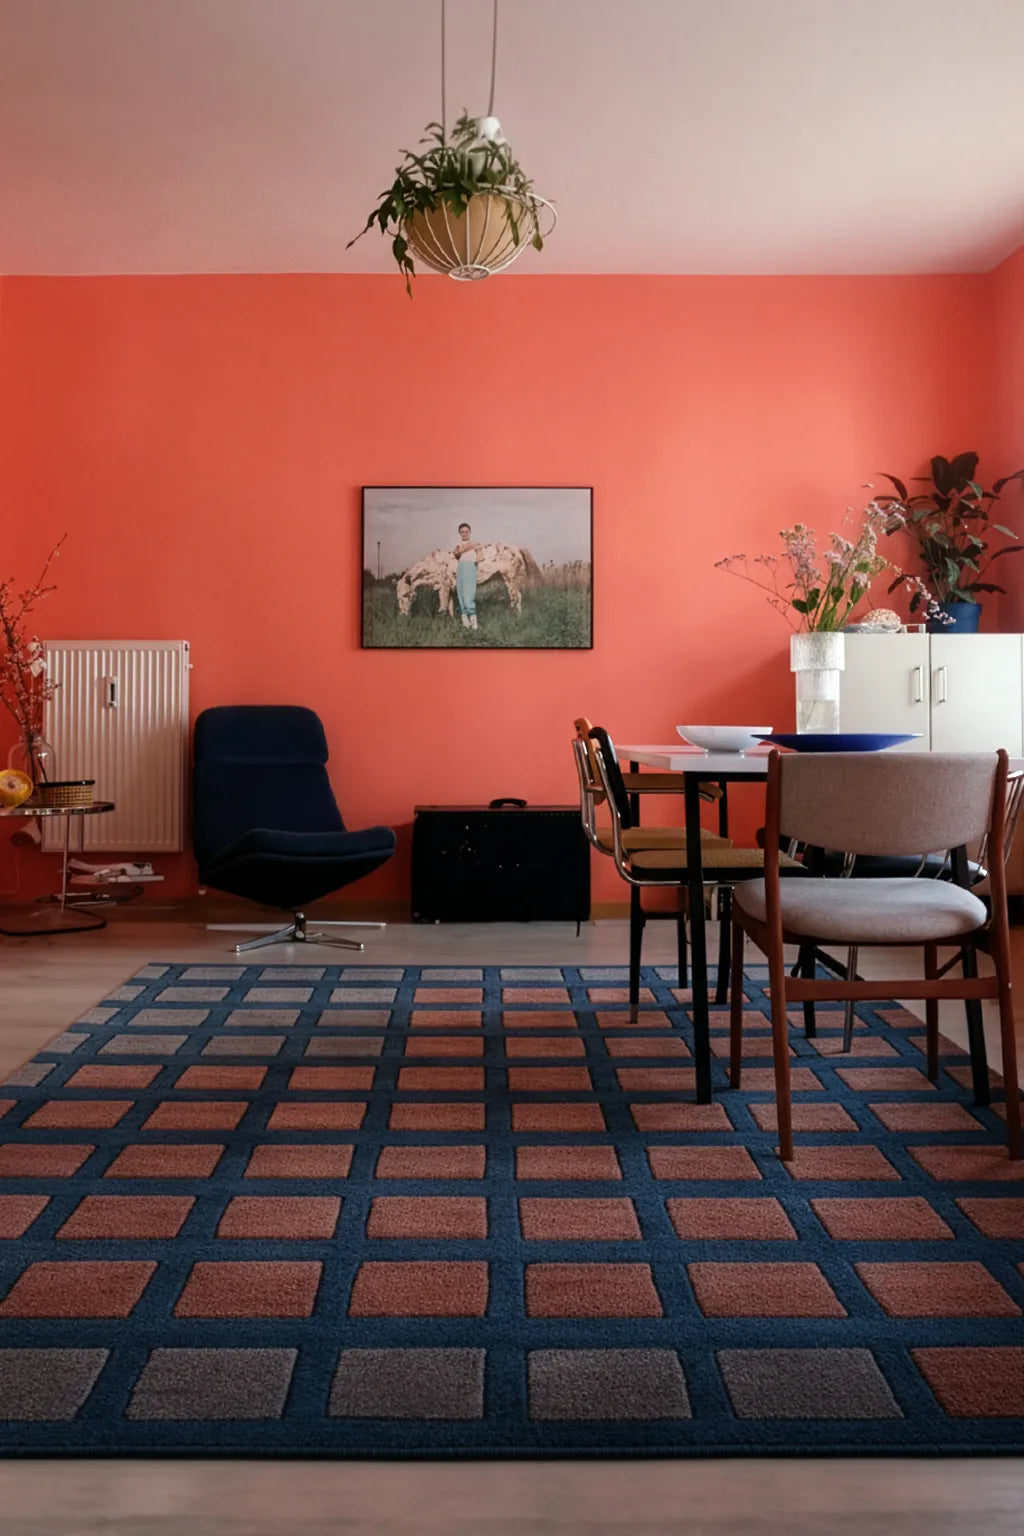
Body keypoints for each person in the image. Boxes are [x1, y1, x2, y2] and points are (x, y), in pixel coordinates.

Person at [454, 522, 481, 631]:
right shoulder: (458, 546)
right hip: (461, 568)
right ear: (459, 533)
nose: (464, 534)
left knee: (469, 593)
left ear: (470, 532)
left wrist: (475, 547)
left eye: (466, 532)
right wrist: (465, 548)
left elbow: (480, 558)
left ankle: (474, 625)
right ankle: (465, 623)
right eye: (462, 532)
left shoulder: (476, 545)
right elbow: (457, 554)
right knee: (461, 593)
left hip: (470, 568)